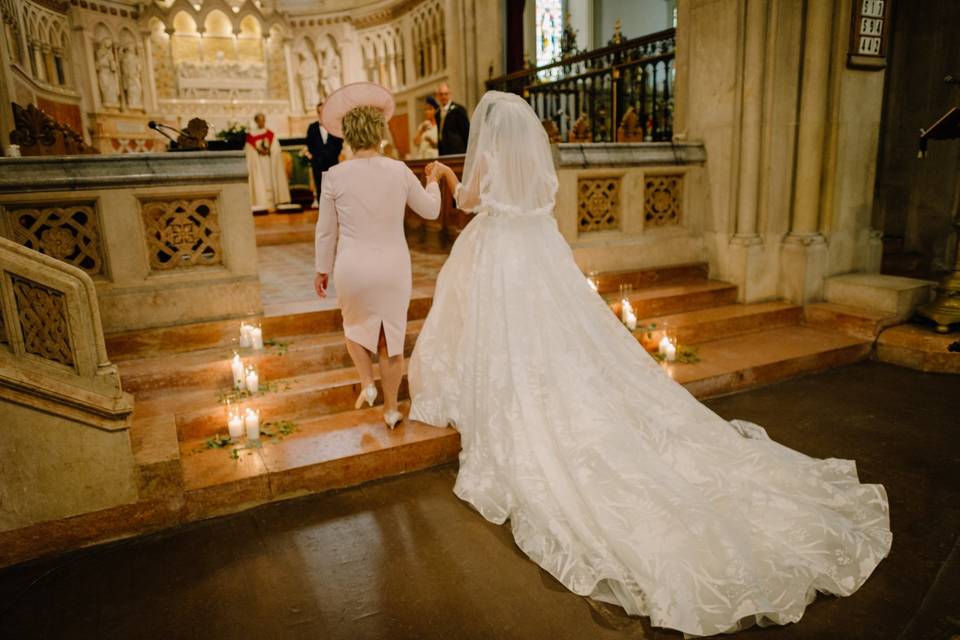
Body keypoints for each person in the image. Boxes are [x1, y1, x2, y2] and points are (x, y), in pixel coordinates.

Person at [407, 92, 892, 637]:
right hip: (539, 252)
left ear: (490, 133)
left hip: (500, 254)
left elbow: (470, 200)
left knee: (507, 337)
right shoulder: (531, 160)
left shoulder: (490, 157)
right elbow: (541, 199)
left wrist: (446, 180)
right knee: (560, 338)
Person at [315, 82, 442, 428]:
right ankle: (390, 409)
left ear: (349, 137)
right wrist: (432, 181)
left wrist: (321, 269)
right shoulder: (399, 171)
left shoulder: (334, 176)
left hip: (352, 268)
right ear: (379, 133)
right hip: (392, 268)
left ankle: (367, 383)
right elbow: (431, 211)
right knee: (392, 340)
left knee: (353, 327)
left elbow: (326, 231)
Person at [245, 113, 290, 212]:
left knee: (269, 181)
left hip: (269, 162)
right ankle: (261, 204)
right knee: (260, 181)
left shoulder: (270, 134)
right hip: (258, 163)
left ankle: (272, 204)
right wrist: (258, 151)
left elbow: (276, 149)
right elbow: (249, 151)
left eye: (263, 120)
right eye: (259, 120)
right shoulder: (251, 135)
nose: (262, 122)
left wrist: (270, 150)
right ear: (256, 121)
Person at [305, 101, 343, 208]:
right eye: (319, 112)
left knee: (334, 186)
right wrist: (316, 157)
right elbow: (309, 144)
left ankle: (335, 207)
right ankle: (323, 209)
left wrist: (331, 154)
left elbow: (339, 143)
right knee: (320, 186)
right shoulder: (312, 127)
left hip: (332, 162)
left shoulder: (334, 126)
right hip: (318, 163)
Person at [435, 82, 469, 155]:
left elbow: (466, 133)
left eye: (446, 94)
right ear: (438, 96)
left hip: (458, 151)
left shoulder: (459, 110)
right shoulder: (437, 113)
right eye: (441, 94)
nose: (443, 97)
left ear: (450, 94)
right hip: (443, 152)